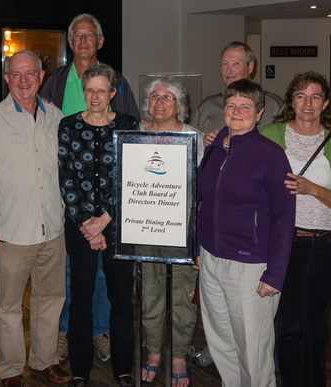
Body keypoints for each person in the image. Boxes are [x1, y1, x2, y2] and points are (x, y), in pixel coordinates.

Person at [0, 50, 70, 387]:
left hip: (53, 231)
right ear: (7, 79)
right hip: (11, 234)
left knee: (51, 299)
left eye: (30, 74)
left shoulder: (55, 117)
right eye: (16, 74)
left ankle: (44, 360)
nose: (24, 80)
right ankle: (10, 369)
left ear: (41, 77)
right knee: (9, 307)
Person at [42, 13, 139, 364]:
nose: (83, 41)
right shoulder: (54, 81)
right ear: (70, 42)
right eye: (77, 36)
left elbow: (133, 146)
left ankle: (100, 332)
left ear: (100, 41)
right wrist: (85, 217)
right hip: (72, 201)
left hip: (112, 206)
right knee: (72, 272)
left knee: (105, 276)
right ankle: (70, 332)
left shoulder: (118, 81)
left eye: (89, 36)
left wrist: (106, 216)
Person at [197, 79, 295, 386]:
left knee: (253, 350)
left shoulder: (271, 155)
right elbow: (202, 202)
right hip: (211, 260)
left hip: (251, 267)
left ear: (259, 113)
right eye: (231, 105)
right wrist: (199, 250)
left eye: (245, 106)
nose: (236, 112)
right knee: (221, 343)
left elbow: (284, 217)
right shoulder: (213, 147)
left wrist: (275, 274)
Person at [262, 72, 331, 387]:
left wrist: (312, 188)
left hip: (328, 246)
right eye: (301, 96)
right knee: (289, 325)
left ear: (325, 103)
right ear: (291, 101)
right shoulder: (273, 134)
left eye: (315, 97)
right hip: (288, 243)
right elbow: (249, 163)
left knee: (317, 326)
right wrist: (217, 139)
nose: (308, 103)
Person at [58, 63, 138, 387]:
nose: (94, 96)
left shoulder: (129, 126)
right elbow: (66, 179)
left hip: (119, 227)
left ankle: (122, 369)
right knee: (80, 299)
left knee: (121, 300)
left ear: (112, 93)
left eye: (101, 90)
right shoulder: (68, 126)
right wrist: (87, 226)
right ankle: (80, 370)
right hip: (79, 229)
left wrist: (105, 218)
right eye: (89, 90)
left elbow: (131, 176)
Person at [136, 76, 203, 387]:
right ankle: (153, 354)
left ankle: (178, 355)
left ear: (180, 105)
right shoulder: (134, 134)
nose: (159, 101)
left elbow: (204, 191)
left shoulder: (195, 138)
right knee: (149, 294)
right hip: (145, 229)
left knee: (181, 296)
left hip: (182, 232)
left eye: (167, 97)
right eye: (154, 96)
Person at [191, 41, 283, 135]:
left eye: (236, 63)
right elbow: (191, 143)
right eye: (225, 63)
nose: (229, 70)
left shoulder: (273, 105)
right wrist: (205, 141)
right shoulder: (207, 106)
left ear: (250, 67)